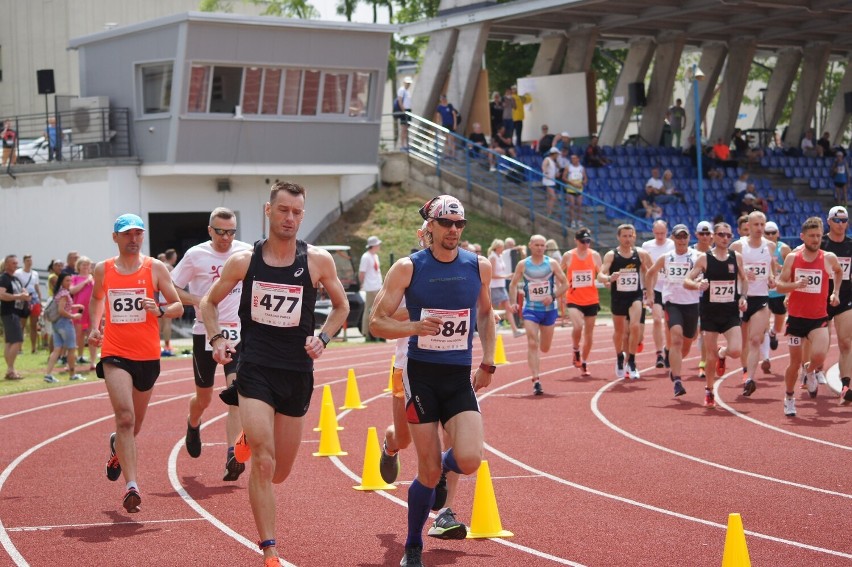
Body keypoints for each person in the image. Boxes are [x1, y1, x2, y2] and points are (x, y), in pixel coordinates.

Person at [199, 182, 349, 566]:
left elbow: (341, 307)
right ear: (268, 211)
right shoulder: (244, 261)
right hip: (255, 368)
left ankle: (253, 429)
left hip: (297, 372)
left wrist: (324, 338)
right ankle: (270, 549)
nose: (290, 218)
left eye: (297, 212)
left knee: (280, 471)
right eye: (283, 210)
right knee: (263, 463)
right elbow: (208, 302)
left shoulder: (317, 261)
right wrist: (217, 339)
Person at [369, 194, 496, 567]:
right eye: (446, 223)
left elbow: (486, 315)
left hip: (458, 374)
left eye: (460, 224)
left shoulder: (479, 266)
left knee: (470, 458)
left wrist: (488, 361)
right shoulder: (408, 268)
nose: (454, 230)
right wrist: (414, 326)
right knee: (425, 470)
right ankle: (412, 546)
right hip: (420, 374)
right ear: (431, 227)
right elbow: (376, 322)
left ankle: (437, 467)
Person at [87, 213, 183, 513]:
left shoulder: (154, 267)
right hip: (115, 352)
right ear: (115, 237)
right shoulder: (103, 269)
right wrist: (94, 327)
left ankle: (118, 446)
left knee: (134, 425)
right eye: (127, 234)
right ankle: (132, 486)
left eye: (138, 234)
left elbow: (178, 306)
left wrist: (161, 310)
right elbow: (96, 299)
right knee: (126, 417)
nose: (133, 239)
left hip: (147, 356)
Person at [377, 221, 467, 541]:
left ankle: (444, 513)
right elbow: (381, 319)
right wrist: (421, 312)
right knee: (405, 439)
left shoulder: (459, 272)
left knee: (453, 436)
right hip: (408, 370)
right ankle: (390, 446)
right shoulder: (406, 273)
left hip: (450, 366)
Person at [170, 207, 253, 481]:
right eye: (220, 232)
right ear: (210, 230)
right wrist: (202, 301)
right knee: (204, 398)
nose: (226, 238)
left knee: (236, 394)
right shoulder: (196, 255)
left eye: (231, 232)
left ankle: (232, 454)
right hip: (205, 332)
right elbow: (172, 289)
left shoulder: (246, 253)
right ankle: (193, 424)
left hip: (238, 334)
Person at [775, 217, 842, 416]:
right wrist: (795, 286)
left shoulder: (828, 257)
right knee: (793, 364)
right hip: (796, 318)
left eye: (818, 236)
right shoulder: (793, 258)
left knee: (820, 355)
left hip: (818, 317)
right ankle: (789, 397)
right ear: (802, 236)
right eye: (811, 236)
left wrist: (835, 292)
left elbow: (838, 273)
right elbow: (780, 285)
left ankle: (810, 370)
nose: (815, 239)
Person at [684, 223, 748, 408]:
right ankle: (709, 390)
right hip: (710, 314)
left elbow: (743, 279)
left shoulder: (737, 258)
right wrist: (697, 285)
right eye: (721, 234)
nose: (725, 238)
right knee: (710, 357)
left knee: (736, 350)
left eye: (728, 235)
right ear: (714, 236)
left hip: (730, 312)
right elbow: (687, 280)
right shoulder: (705, 258)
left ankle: (723, 352)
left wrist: (743, 297)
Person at [646, 224, 702, 397]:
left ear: (689, 238)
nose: (682, 240)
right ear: (673, 238)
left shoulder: (698, 257)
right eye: (678, 237)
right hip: (672, 302)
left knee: (688, 342)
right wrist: (649, 294)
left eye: (685, 236)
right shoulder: (666, 257)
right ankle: (677, 380)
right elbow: (650, 273)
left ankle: (674, 363)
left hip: (692, 303)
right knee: (676, 338)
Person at [509, 234, 569, 395]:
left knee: (545, 347)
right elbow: (514, 284)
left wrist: (553, 296)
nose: (540, 248)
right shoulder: (523, 264)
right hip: (531, 309)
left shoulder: (552, 264)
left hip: (549, 310)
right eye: (537, 245)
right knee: (532, 342)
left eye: (543, 245)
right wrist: (513, 302)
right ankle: (536, 380)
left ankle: (541, 342)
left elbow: (565, 284)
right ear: (530, 246)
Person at [598, 224, 653, 380]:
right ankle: (620, 357)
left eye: (630, 236)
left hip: (634, 296)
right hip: (618, 297)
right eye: (624, 236)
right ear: (618, 237)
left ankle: (633, 361)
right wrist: (608, 278)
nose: (628, 239)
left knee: (635, 326)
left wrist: (650, 293)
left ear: (634, 236)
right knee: (620, 332)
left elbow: (652, 272)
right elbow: (600, 275)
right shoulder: (611, 255)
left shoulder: (640, 254)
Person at [729, 211, 775, 396]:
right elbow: (725, 271)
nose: (759, 228)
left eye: (762, 225)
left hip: (761, 298)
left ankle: (749, 378)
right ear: (748, 226)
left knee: (755, 339)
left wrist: (771, 278)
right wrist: (740, 274)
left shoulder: (770, 246)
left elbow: (769, 269)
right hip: (741, 297)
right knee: (739, 344)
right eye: (756, 225)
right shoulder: (738, 246)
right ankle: (728, 358)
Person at [820, 206, 852, 405]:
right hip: (820, 299)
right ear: (829, 221)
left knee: (846, 342)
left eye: (844, 220)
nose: (841, 224)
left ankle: (846, 386)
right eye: (837, 220)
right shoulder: (820, 243)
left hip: (846, 298)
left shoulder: (851, 245)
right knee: (820, 348)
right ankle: (812, 370)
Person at [562, 228, 602, 376]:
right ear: (576, 241)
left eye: (588, 241)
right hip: (573, 298)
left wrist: (608, 279)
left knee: (589, 334)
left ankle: (584, 361)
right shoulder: (568, 256)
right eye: (583, 241)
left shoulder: (595, 255)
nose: (586, 244)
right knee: (578, 326)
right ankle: (575, 349)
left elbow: (601, 272)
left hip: (591, 299)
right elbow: (559, 272)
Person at [641, 220, 675, 369]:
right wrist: (646, 290)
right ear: (653, 232)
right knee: (656, 319)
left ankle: (668, 349)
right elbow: (644, 270)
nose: (660, 236)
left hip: (670, 289)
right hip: (655, 288)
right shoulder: (647, 246)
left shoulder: (673, 245)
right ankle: (659, 353)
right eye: (657, 233)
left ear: (667, 232)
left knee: (669, 324)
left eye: (663, 233)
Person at [43, 273, 84, 383]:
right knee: (71, 349)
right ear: (61, 281)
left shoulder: (58, 292)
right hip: (64, 323)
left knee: (57, 349)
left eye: (70, 281)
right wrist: (73, 316)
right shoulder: (64, 293)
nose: (69, 283)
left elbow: (63, 306)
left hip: (56, 324)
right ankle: (72, 374)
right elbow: (61, 310)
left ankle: (48, 374)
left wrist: (75, 306)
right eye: (67, 280)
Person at [764, 221, 790, 365]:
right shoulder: (760, 248)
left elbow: (793, 270)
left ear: (778, 233)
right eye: (767, 233)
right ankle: (766, 358)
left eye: (773, 232)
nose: (770, 235)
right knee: (762, 325)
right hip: (764, 293)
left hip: (779, 292)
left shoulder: (783, 249)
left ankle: (773, 334)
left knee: (778, 325)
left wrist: (780, 268)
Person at [0, 255, 30, 380]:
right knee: (17, 340)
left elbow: (23, 292)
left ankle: (10, 369)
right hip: (9, 312)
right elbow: (1, 295)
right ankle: (10, 370)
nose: (15, 265)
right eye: (13, 263)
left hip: (16, 312)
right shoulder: (4, 278)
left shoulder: (16, 279)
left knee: (10, 342)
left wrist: (25, 295)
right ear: (6, 264)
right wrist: (19, 297)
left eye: (16, 263)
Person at [487, 239, 523, 338]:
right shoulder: (493, 257)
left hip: (500, 285)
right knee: (489, 308)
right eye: (502, 246)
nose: (503, 248)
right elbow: (492, 274)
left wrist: (506, 276)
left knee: (507, 307)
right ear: (497, 247)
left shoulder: (500, 256)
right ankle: (488, 329)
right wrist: (507, 276)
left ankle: (514, 330)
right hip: (494, 286)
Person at [70, 256, 97, 369]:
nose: (86, 267)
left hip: (91, 309)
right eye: (83, 264)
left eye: (87, 265)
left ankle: (92, 361)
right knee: (79, 335)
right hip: (80, 310)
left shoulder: (94, 278)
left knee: (92, 335)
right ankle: (79, 356)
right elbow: (72, 290)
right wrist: (85, 282)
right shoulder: (75, 278)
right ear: (79, 266)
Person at [14, 254, 43, 354]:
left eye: (30, 260)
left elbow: (37, 287)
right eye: (27, 260)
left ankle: (33, 348)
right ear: (24, 262)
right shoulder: (18, 273)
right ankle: (19, 348)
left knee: (33, 325)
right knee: (21, 325)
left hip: (34, 299)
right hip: (23, 298)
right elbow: (15, 285)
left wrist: (39, 299)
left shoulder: (35, 273)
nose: (29, 262)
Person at [360, 235, 383, 342]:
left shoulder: (375, 256)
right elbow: (362, 273)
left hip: (377, 287)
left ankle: (377, 333)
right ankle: (366, 333)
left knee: (378, 310)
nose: (379, 246)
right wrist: (362, 284)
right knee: (368, 310)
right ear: (373, 246)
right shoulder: (366, 256)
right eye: (378, 244)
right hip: (370, 287)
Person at [159, 249, 178, 356]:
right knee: (167, 323)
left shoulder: (160, 265)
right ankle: (167, 346)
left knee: (158, 324)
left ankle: (156, 346)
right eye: (175, 256)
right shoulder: (169, 267)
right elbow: (176, 284)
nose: (176, 258)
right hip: (166, 297)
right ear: (172, 257)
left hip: (158, 297)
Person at [563, 154, 588, 228]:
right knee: (572, 205)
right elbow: (564, 178)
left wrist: (584, 182)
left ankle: (579, 220)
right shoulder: (568, 167)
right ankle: (572, 221)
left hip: (579, 188)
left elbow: (585, 178)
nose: (573, 160)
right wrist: (572, 183)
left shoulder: (581, 168)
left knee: (579, 205)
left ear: (578, 159)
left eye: (574, 158)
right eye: (572, 159)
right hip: (571, 188)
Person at [434, 94, 458, 158]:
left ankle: (453, 154)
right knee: (447, 139)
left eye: (444, 98)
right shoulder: (439, 107)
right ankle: (447, 153)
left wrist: (455, 124)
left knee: (452, 139)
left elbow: (454, 115)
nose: (443, 100)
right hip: (445, 125)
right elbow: (438, 116)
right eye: (442, 98)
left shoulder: (449, 106)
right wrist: (437, 124)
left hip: (451, 124)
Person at [396, 77, 413, 150]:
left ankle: (405, 144)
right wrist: (403, 111)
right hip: (404, 110)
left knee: (406, 129)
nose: (408, 84)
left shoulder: (407, 91)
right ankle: (402, 145)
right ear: (404, 82)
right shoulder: (401, 90)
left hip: (408, 110)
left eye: (409, 83)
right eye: (407, 83)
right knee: (403, 128)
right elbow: (400, 100)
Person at [541, 147, 559, 217]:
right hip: (548, 181)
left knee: (549, 198)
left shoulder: (553, 162)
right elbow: (544, 166)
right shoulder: (547, 159)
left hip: (552, 181)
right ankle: (549, 213)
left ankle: (549, 212)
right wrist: (546, 173)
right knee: (552, 197)